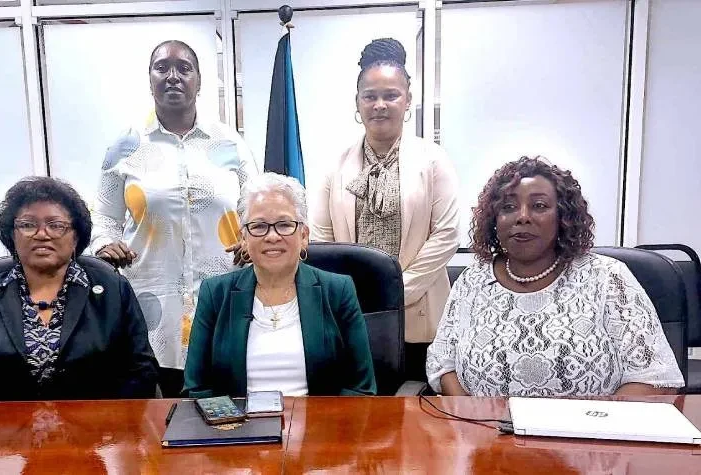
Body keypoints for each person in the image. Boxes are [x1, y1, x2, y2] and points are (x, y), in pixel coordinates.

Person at [426, 157, 684, 396]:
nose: (523, 217)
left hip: (590, 440)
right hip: (487, 439)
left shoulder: (607, 278)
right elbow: (443, 364)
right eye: (508, 207)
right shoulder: (472, 282)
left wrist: (589, 430)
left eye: (539, 206)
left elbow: (655, 379)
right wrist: (471, 418)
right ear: (495, 219)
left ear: (564, 217)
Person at [89, 40, 258, 397]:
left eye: (184, 68)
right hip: (151, 304)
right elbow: (103, 217)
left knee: (224, 415)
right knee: (157, 419)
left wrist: (251, 239)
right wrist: (105, 245)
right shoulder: (126, 146)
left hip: (222, 299)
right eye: (161, 67)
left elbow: (255, 209)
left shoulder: (230, 143)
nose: (173, 76)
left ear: (199, 82)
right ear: (149, 80)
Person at [0, 177, 158, 401]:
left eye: (56, 225)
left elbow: (141, 373)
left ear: (75, 237)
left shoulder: (112, 290)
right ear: (12, 235)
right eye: (28, 225)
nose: (42, 234)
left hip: (92, 435)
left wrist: (105, 431)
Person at [310, 38, 459, 380]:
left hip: (421, 317)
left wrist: (395, 292)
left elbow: (447, 235)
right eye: (370, 96)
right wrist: (352, 296)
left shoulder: (433, 160)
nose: (380, 105)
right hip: (352, 314)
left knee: (421, 418)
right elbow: (322, 240)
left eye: (391, 95)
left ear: (407, 100)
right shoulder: (335, 164)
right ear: (357, 102)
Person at [184, 173, 376, 397]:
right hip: (235, 427)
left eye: (284, 225)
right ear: (243, 237)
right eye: (259, 226)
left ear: (304, 235)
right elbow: (197, 388)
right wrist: (234, 428)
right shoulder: (215, 294)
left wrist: (323, 429)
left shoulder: (338, 291)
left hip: (321, 427)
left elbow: (361, 388)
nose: (272, 236)